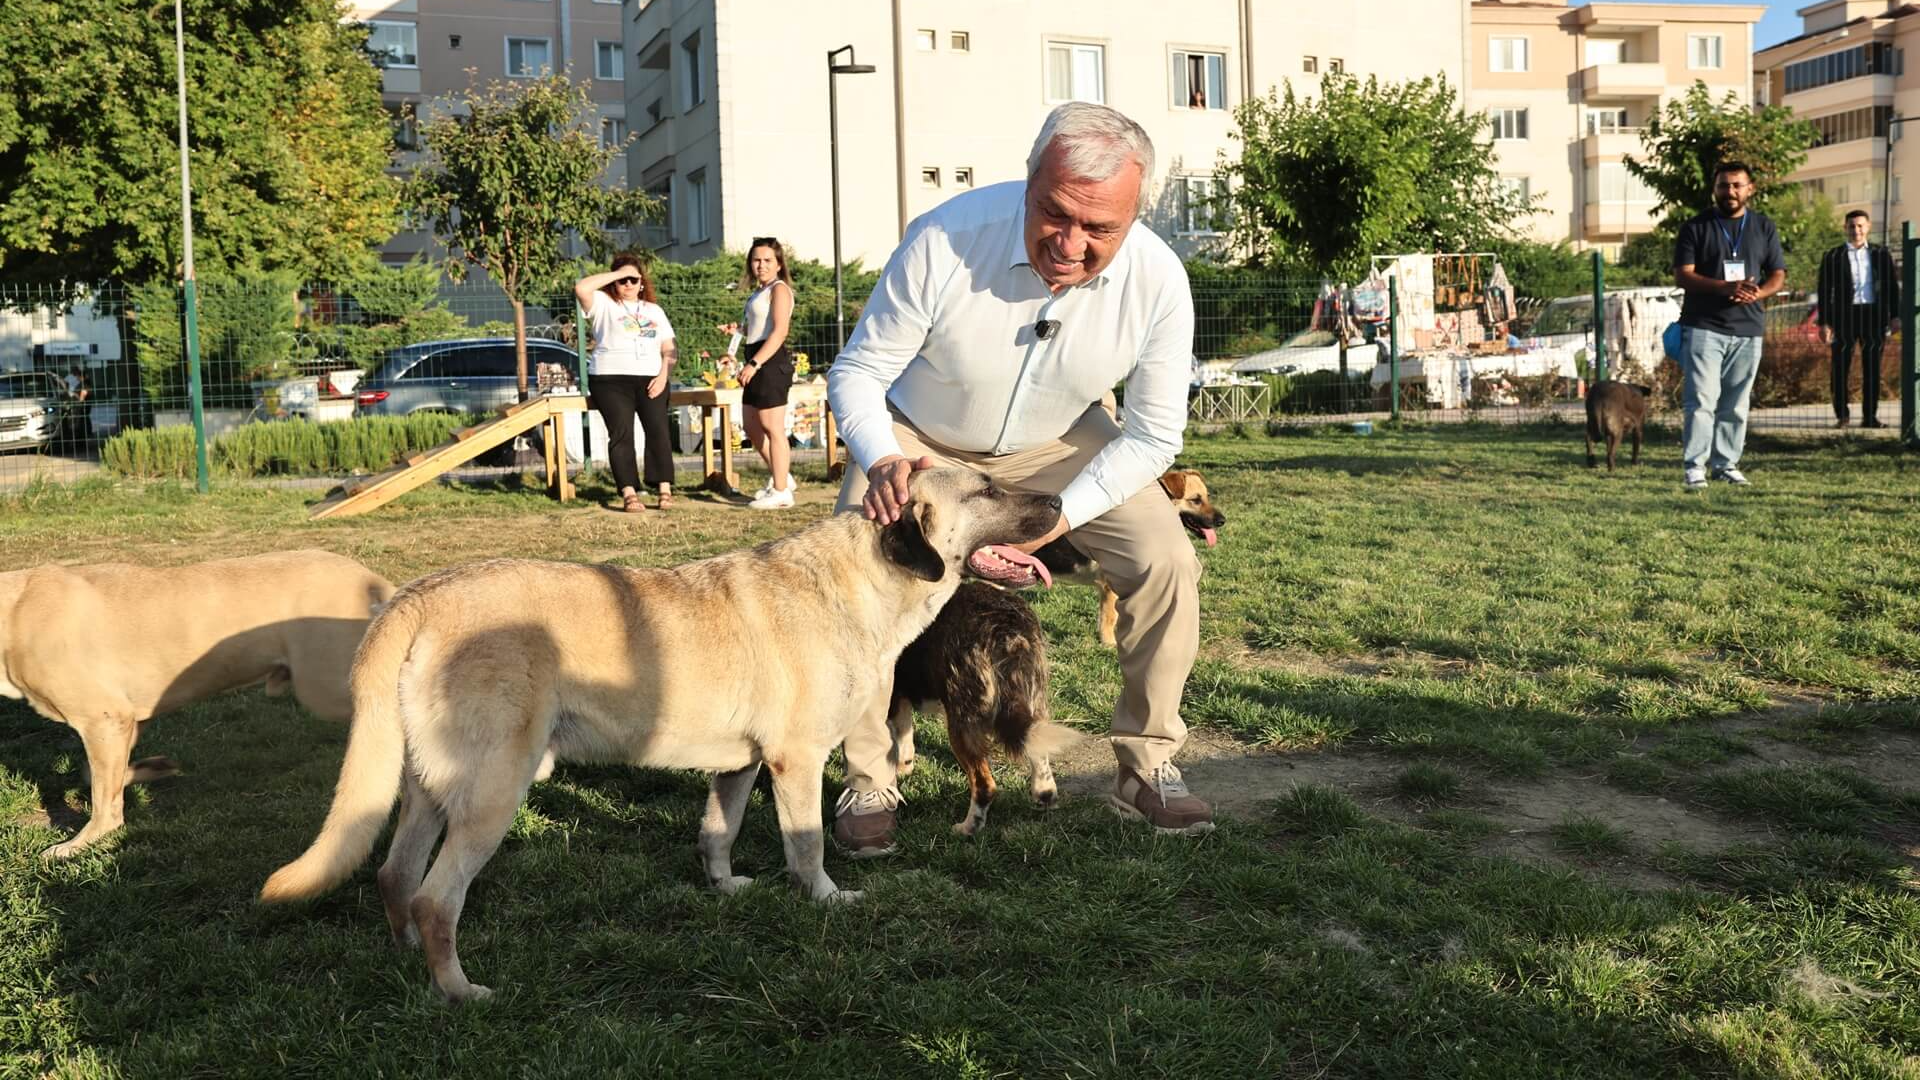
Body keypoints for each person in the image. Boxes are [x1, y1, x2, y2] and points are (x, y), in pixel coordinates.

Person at [826, 101, 1209, 855]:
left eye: (1100, 229)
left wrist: (1058, 515)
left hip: (1058, 441)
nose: (1070, 244)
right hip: (922, 436)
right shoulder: (944, 238)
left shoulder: (1160, 281)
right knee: (853, 581)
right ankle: (869, 774)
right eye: (1055, 214)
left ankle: (1147, 765)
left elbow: (1157, 435)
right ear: (1029, 181)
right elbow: (860, 373)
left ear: (1136, 213)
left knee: (1167, 560)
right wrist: (883, 460)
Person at [1672, 162, 1786, 490]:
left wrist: (1757, 293)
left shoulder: (1764, 227)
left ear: (1750, 189)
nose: (1730, 192)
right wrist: (1725, 287)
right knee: (1702, 401)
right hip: (1704, 326)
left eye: (1737, 185)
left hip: (1748, 329)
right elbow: (1683, 274)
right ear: (1715, 188)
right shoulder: (1696, 227)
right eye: (1724, 185)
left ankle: (1726, 464)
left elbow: (1777, 273)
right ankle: (1695, 467)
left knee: (1735, 403)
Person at [574, 254, 678, 512]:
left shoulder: (654, 311)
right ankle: (629, 491)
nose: (628, 284)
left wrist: (664, 373)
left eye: (633, 279)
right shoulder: (602, 303)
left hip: (651, 377)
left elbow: (669, 348)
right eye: (623, 280)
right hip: (610, 378)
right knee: (622, 433)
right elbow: (581, 288)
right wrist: (617, 274)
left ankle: (664, 488)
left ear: (642, 282)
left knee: (658, 431)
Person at [717, 237, 799, 509]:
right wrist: (737, 334)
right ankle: (782, 476)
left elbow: (779, 332)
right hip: (755, 357)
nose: (760, 265)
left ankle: (780, 493)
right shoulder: (758, 293)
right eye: (756, 260)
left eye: (767, 260)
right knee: (752, 426)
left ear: (778, 264)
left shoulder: (780, 290)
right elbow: (756, 327)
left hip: (770, 362)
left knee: (772, 426)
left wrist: (755, 364)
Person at [1816, 209, 1901, 429]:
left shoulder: (1881, 254)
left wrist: (1895, 316)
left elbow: (1892, 286)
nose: (1856, 230)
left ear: (1868, 227)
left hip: (1873, 316)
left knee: (1872, 368)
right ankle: (1842, 416)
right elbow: (1824, 291)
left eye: (1860, 225)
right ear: (1845, 228)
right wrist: (1824, 322)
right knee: (1839, 368)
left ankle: (1870, 417)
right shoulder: (1833, 256)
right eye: (1852, 226)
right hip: (1844, 317)